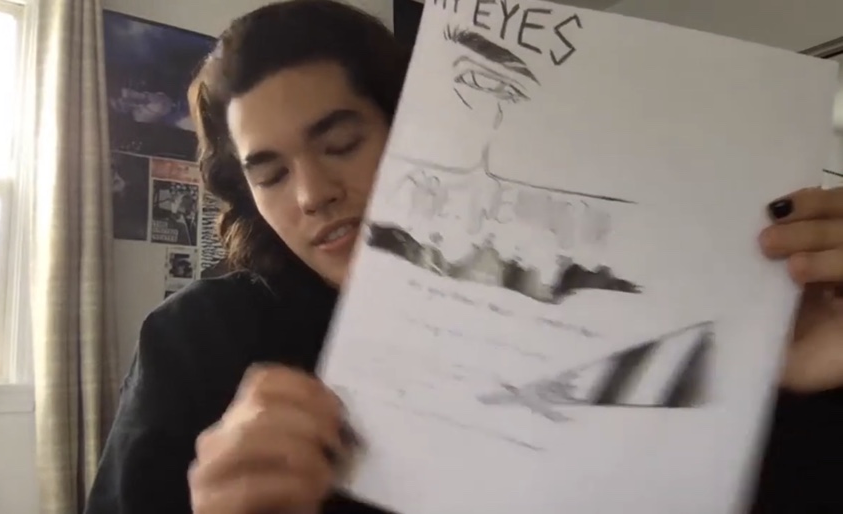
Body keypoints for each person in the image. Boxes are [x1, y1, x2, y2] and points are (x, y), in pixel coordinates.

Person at [83, 1, 843, 513]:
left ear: (417, 127)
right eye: (271, 173)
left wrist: (801, 388)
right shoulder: (197, 342)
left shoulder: (587, 291)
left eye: (341, 142)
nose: (312, 194)